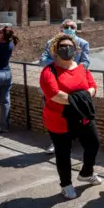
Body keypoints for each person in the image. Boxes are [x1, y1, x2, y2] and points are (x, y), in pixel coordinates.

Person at [39, 33, 102, 200]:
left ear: (75, 50)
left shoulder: (81, 68)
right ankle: (66, 185)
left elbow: (93, 86)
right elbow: (54, 94)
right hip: (59, 119)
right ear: (55, 50)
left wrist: (81, 96)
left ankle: (86, 172)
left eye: (70, 47)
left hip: (83, 117)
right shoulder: (49, 71)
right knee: (63, 153)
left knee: (94, 143)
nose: (67, 49)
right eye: (62, 47)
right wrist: (82, 97)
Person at [40, 19, 90, 155]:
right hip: (56, 82)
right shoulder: (51, 43)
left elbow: (86, 62)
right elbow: (42, 60)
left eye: (72, 26)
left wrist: (74, 71)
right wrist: (61, 65)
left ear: (76, 28)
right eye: (66, 26)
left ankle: (75, 138)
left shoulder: (83, 43)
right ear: (61, 28)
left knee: (78, 113)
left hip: (75, 85)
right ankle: (55, 141)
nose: (69, 28)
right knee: (54, 113)